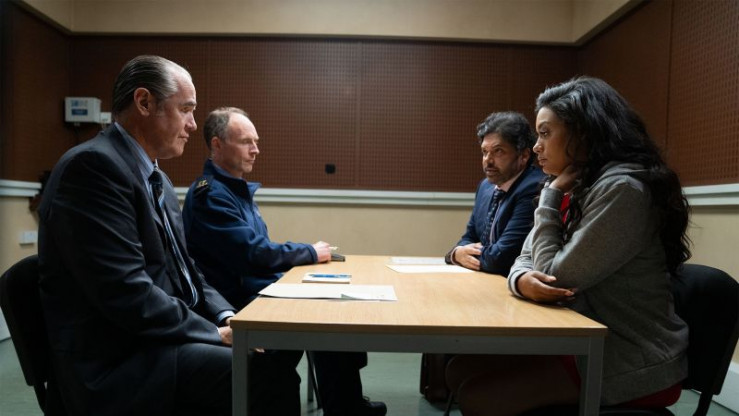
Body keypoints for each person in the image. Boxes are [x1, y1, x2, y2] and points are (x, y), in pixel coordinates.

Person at [446, 77, 691, 415]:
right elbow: (525, 256)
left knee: (479, 397)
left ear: (583, 133)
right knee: (458, 370)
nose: (536, 147)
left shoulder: (622, 189)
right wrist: (521, 280)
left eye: (545, 133)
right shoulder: (577, 184)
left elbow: (556, 276)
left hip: (629, 357)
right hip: (580, 338)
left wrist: (549, 198)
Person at [37, 55, 235, 416]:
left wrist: (224, 317)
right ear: (144, 102)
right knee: (257, 371)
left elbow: (185, 269)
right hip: (118, 361)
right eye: (186, 109)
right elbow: (127, 292)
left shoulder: (157, 178)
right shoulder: (93, 168)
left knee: (265, 355)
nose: (193, 125)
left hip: (154, 341)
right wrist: (210, 333)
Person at [182, 107, 387, 416]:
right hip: (236, 303)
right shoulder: (211, 196)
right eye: (246, 142)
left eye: (256, 141)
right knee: (317, 324)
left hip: (256, 293)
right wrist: (309, 252)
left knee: (335, 311)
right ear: (217, 145)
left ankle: (346, 404)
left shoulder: (235, 191)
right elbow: (254, 254)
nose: (255, 150)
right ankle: (344, 406)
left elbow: (258, 252)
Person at [445, 111, 545, 275]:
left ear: (524, 155)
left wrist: (459, 255)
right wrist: (456, 253)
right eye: (485, 152)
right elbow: (469, 238)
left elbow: (502, 258)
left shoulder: (534, 187)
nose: (488, 160)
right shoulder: (485, 187)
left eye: (498, 151)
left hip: (512, 283)